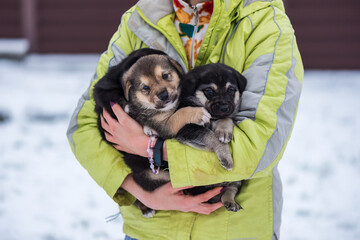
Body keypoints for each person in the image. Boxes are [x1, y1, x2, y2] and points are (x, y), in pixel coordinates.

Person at [66, 0, 303, 239]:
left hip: (233, 228)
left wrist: (151, 148)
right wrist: (138, 189)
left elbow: (261, 145)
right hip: (150, 231)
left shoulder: (265, 22)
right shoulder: (140, 18)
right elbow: (82, 127)